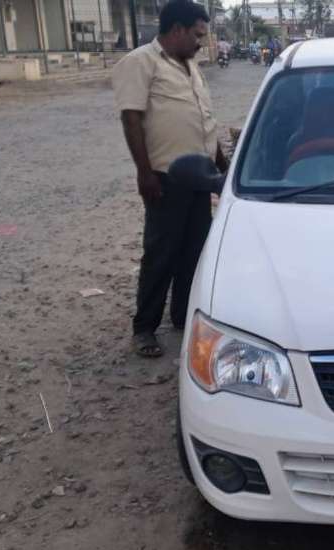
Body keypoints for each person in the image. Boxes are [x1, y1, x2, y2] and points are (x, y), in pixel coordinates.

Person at [112, 0, 229, 357]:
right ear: (176, 30)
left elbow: (205, 122)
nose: (200, 42)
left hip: (200, 178)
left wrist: (224, 169)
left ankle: (182, 316)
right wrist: (144, 172)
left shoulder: (191, 66)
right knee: (161, 253)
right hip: (164, 178)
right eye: (197, 35)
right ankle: (144, 328)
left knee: (194, 251)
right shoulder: (140, 62)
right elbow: (131, 118)